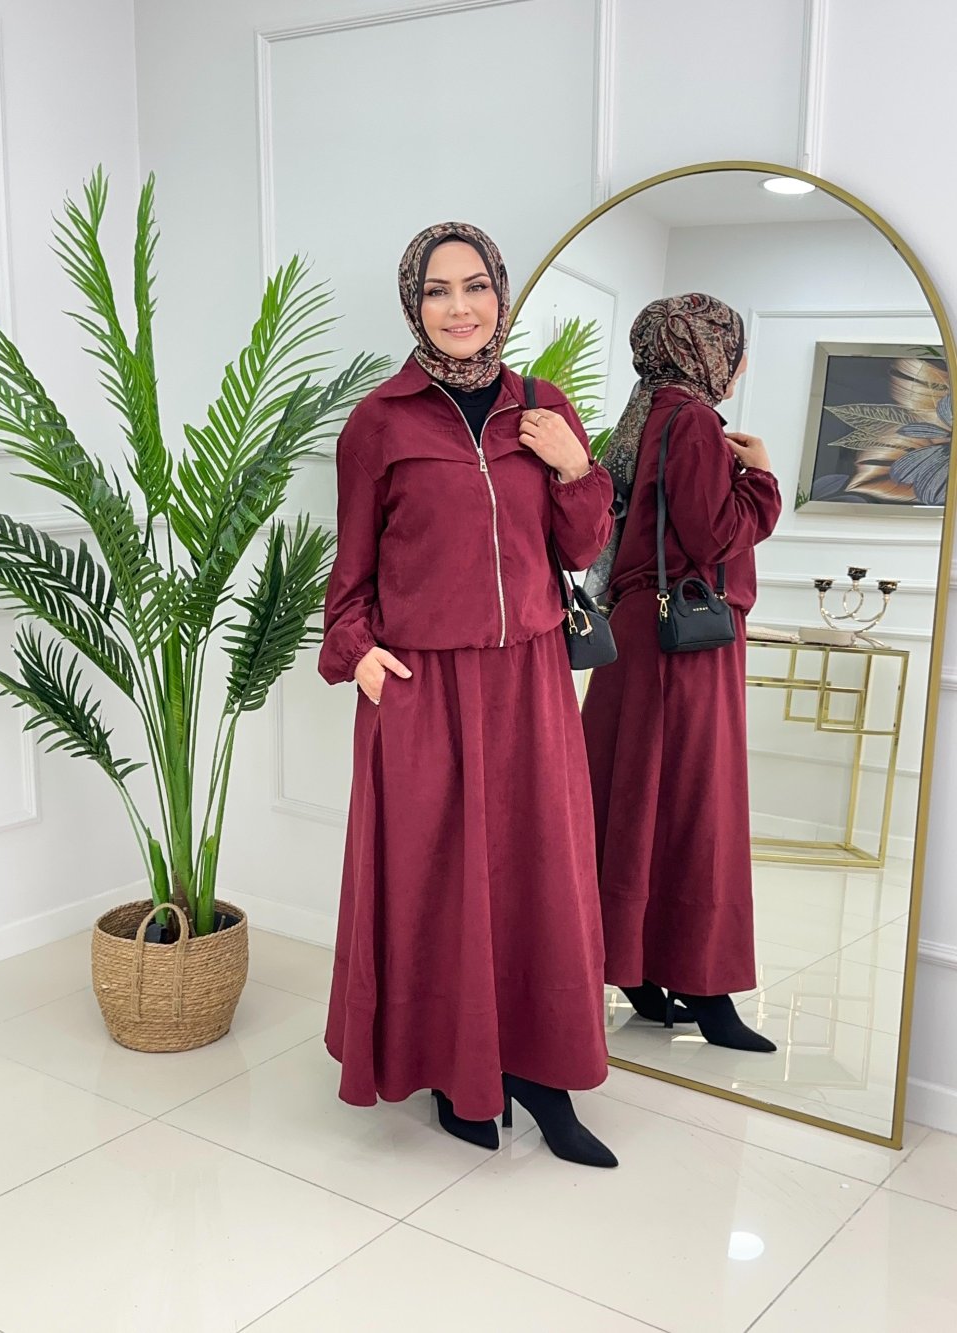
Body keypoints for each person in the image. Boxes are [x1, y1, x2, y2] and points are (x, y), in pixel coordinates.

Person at [317, 221, 618, 1166]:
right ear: (414, 305)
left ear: (501, 293)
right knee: (438, 886)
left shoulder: (543, 406)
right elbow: (350, 577)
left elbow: (582, 549)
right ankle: (456, 1072)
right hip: (423, 690)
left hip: (529, 683)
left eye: (475, 285)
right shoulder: (379, 423)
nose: (460, 307)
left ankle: (541, 1075)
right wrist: (359, 656)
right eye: (438, 291)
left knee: (539, 878)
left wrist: (575, 467)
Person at [582, 293, 782, 1052]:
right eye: (733, 347)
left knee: (636, 801)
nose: (739, 363)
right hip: (687, 647)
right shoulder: (692, 420)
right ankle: (703, 987)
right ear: (707, 349)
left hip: (641, 638)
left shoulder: (646, 416)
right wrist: (762, 480)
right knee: (697, 809)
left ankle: (635, 968)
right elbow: (712, 534)